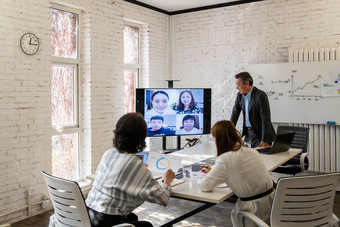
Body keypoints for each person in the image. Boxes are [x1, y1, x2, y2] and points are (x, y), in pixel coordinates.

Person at [86, 113, 176, 227]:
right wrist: (167, 181)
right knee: (146, 225)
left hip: (89, 215)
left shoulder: (109, 153)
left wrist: (138, 170)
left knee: (133, 218)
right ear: (141, 137)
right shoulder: (134, 164)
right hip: (107, 221)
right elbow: (163, 199)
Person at [199, 120, 274, 226]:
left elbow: (204, 186)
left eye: (214, 137)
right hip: (272, 206)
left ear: (219, 140)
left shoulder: (224, 159)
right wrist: (214, 171)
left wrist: (207, 176)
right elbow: (240, 172)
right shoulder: (252, 151)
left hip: (253, 212)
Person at [230, 71, 276, 148]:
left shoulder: (260, 95)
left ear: (247, 83)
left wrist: (264, 140)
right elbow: (235, 113)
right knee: (247, 157)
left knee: (262, 158)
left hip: (261, 134)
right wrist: (228, 132)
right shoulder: (240, 95)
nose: (237, 87)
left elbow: (265, 118)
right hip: (248, 133)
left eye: (238, 85)